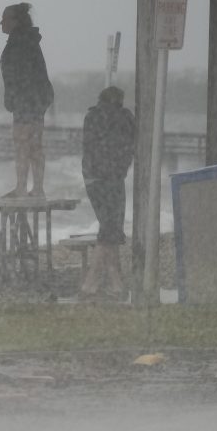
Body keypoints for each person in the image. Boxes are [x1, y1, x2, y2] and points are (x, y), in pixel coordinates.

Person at [80, 85, 135, 298]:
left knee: (109, 226)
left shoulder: (92, 117)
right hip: (113, 178)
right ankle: (91, 282)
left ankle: (115, 282)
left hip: (93, 179)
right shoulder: (124, 118)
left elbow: (90, 147)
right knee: (110, 227)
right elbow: (131, 142)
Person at [0, 2, 54, 197]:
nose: (0, 23)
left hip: (27, 101)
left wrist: (13, 98)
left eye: (4, 19)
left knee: (23, 143)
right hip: (34, 100)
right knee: (33, 144)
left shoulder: (20, 43)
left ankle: (24, 187)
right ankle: (35, 187)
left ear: (15, 21)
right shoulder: (27, 41)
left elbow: (19, 76)